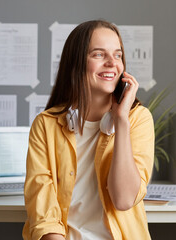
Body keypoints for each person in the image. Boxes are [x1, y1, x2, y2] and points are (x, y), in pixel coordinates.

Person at [22, 20, 154, 240]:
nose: (113, 63)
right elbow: (44, 216)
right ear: (76, 63)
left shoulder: (138, 119)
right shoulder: (45, 125)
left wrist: (121, 120)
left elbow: (123, 200)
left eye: (118, 55)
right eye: (99, 54)